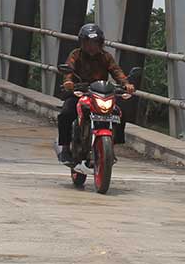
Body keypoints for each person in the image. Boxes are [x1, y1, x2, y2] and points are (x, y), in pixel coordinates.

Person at [56, 22, 134, 166]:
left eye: (95, 42)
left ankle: (112, 147)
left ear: (100, 43)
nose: (91, 46)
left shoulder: (106, 57)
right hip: (80, 91)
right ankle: (65, 148)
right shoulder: (76, 55)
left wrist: (126, 84)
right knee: (66, 113)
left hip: (100, 92)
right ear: (82, 43)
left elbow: (116, 71)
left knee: (119, 113)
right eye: (88, 42)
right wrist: (68, 82)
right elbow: (69, 69)